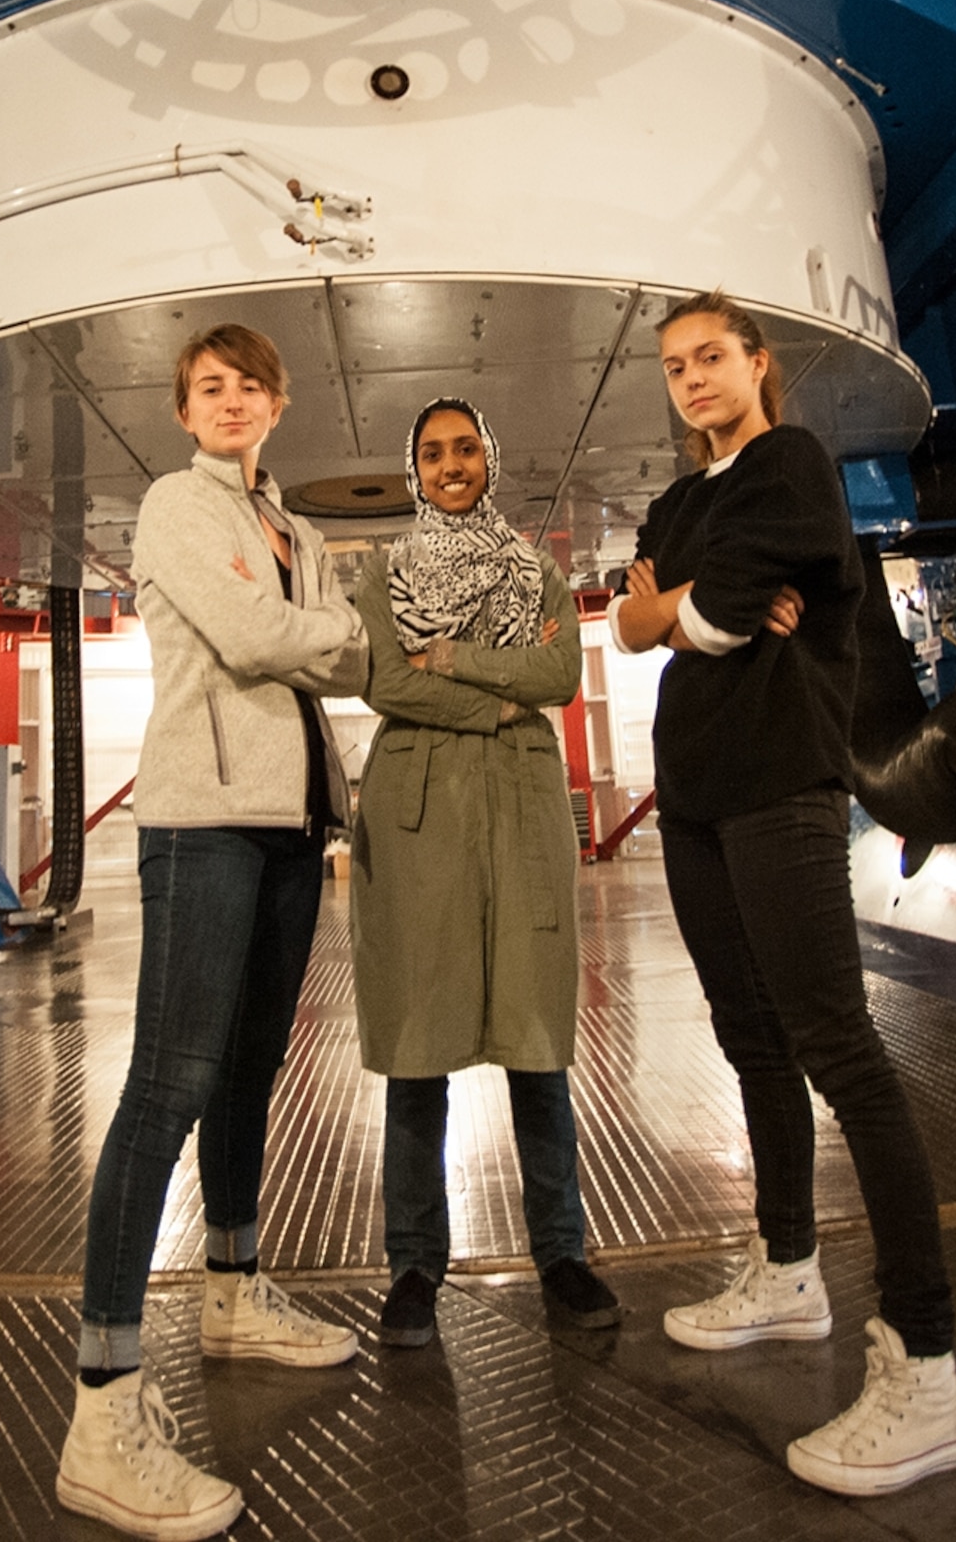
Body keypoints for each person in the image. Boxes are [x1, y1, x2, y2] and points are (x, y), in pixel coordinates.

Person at [608, 290, 956, 1500]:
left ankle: (926, 1363)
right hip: (699, 793)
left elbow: (704, 613)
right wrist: (677, 609)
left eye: (711, 356)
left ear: (758, 363)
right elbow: (632, 619)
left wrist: (689, 610)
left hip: (782, 784)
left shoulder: (795, 465)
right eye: (675, 365)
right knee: (749, 1038)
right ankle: (787, 1264)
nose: (693, 378)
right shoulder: (680, 499)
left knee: (838, 1045)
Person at [57, 322, 368, 1542]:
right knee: (166, 1085)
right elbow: (264, 641)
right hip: (202, 821)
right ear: (186, 410)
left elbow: (322, 647)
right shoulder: (176, 508)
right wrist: (327, 631)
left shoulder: (297, 530)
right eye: (208, 387)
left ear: (279, 402)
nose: (230, 400)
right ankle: (102, 1405)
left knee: (249, 1069)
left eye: (249, 384)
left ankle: (235, 1289)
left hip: (292, 822)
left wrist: (318, 629)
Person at [348, 398, 623, 1350]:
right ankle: (416, 1265)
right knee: (420, 1044)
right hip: (423, 808)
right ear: (413, 470)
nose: (452, 464)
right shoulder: (384, 570)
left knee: (537, 1036)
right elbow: (386, 680)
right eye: (433, 452)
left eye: (468, 446)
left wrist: (460, 658)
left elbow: (557, 680)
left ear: (490, 458)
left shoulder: (535, 566)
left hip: (520, 803)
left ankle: (562, 1253)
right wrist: (492, 704)